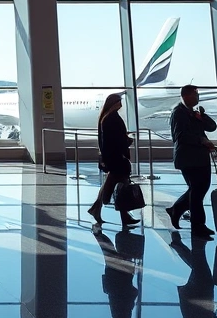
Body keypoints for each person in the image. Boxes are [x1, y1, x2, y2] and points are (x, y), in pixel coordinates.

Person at [166, 85, 217, 240]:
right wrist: (201, 140)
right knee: (197, 190)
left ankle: (177, 209)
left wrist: (202, 116)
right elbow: (179, 137)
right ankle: (197, 225)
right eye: (195, 94)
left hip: (200, 157)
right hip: (188, 158)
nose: (198, 97)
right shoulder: (178, 113)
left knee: (201, 188)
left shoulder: (193, 113)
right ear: (186, 96)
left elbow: (212, 127)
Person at [87, 93, 140, 227]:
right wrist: (126, 142)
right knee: (121, 185)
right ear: (114, 103)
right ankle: (112, 211)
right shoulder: (112, 118)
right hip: (117, 157)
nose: (121, 104)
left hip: (113, 157)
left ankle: (117, 213)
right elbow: (114, 140)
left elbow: (105, 140)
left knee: (118, 184)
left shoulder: (106, 118)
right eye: (119, 101)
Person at [93, 228, 140, 318]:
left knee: (111, 251)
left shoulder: (123, 308)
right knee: (109, 251)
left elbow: (133, 293)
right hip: (115, 278)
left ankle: (99, 234)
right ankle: (98, 233)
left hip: (122, 278)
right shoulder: (118, 306)